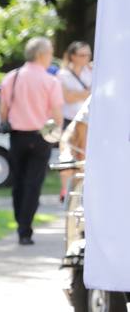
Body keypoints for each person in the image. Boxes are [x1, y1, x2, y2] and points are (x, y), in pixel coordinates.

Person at [0, 37, 64, 246]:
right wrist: (54, 134)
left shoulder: (12, 77)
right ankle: (25, 229)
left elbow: (3, 109)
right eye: (50, 53)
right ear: (41, 55)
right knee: (33, 184)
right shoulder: (50, 81)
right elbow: (57, 115)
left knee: (18, 182)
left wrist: (4, 122)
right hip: (41, 136)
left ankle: (20, 223)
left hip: (17, 135)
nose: (51, 57)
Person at [57, 41, 93, 200]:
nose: (86, 58)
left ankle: (82, 191)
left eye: (88, 55)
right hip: (69, 120)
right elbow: (67, 98)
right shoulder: (62, 75)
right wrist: (85, 93)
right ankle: (65, 190)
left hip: (87, 122)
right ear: (73, 56)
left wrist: (77, 94)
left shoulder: (91, 72)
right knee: (67, 155)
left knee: (84, 158)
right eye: (82, 55)